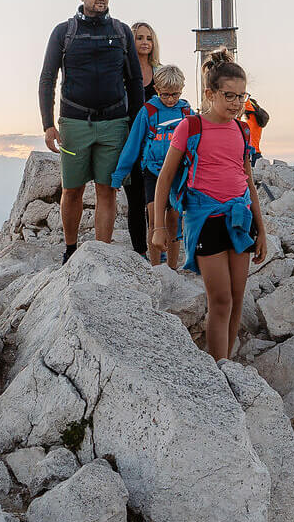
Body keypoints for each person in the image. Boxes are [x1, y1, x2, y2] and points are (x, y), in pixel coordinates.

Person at [151, 50, 267, 361]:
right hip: (206, 221)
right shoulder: (190, 127)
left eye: (241, 96)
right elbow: (165, 179)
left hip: (240, 219)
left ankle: (225, 364)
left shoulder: (242, 130)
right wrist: (160, 227)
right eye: (228, 95)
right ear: (209, 93)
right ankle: (218, 368)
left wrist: (263, 232)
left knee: (238, 299)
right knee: (221, 301)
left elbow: (248, 181)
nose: (235, 103)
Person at [38, 0, 145, 261]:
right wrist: (48, 125)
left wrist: (137, 125)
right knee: (72, 190)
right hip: (73, 124)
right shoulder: (64, 32)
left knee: (107, 190)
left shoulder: (121, 32)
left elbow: (134, 81)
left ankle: (101, 254)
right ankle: (70, 250)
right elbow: (48, 78)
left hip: (114, 124)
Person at [112, 64, 191, 268]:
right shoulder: (149, 111)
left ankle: (172, 268)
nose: (170, 99)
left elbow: (195, 144)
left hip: (178, 172)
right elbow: (133, 143)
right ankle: (155, 269)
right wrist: (119, 174)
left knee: (174, 219)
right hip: (152, 171)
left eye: (175, 94)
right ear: (156, 89)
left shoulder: (185, 111)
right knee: (154, 219)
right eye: (165, 94)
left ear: (181, 90)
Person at [124, 22, 161, 256]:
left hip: (157, 143)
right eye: (139, 37)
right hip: (130, 140)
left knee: (157, 199)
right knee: (136, 199)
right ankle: (139, 252)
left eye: (149, 37)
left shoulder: (160, 72)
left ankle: (160, 250)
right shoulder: (122, 71)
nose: (145, 42)